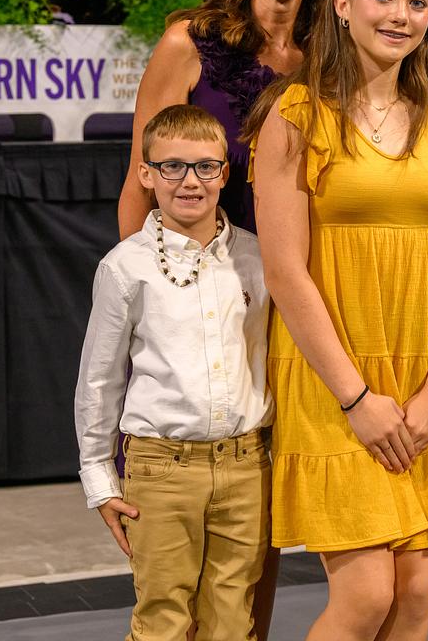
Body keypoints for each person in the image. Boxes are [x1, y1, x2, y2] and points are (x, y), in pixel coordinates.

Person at [114, 0, 345, 636]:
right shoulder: (190, 42)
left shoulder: (335, 54)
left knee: (259, 534)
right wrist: (148, 313)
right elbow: (138, 188)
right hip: (201, 316)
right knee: (184, 569)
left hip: (299, 309)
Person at [248, 0, 428, 641]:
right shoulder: (293, 115)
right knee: (366, 595)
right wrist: (355, 397)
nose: (402, 15)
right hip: (332, 379)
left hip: (420, 379)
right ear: (343, 6)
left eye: (418, 2)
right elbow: (285, 271)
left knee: (414, 594)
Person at [75, 104, 273, 641]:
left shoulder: (258, 258)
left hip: (246, 465)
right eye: (173, 167)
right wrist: (98, 478)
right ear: (147, 175)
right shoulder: (125, 267)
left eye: (206, 167)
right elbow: (99, 380)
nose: (191, 181)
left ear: (224, 174)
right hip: (161, 470)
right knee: (163, 617)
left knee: (233, 621)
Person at [119, 0, 347, 237]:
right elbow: (140, 182)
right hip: (209, 280)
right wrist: (139, 282)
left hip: (312, 277)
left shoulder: (339, 59)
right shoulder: (188, 44)